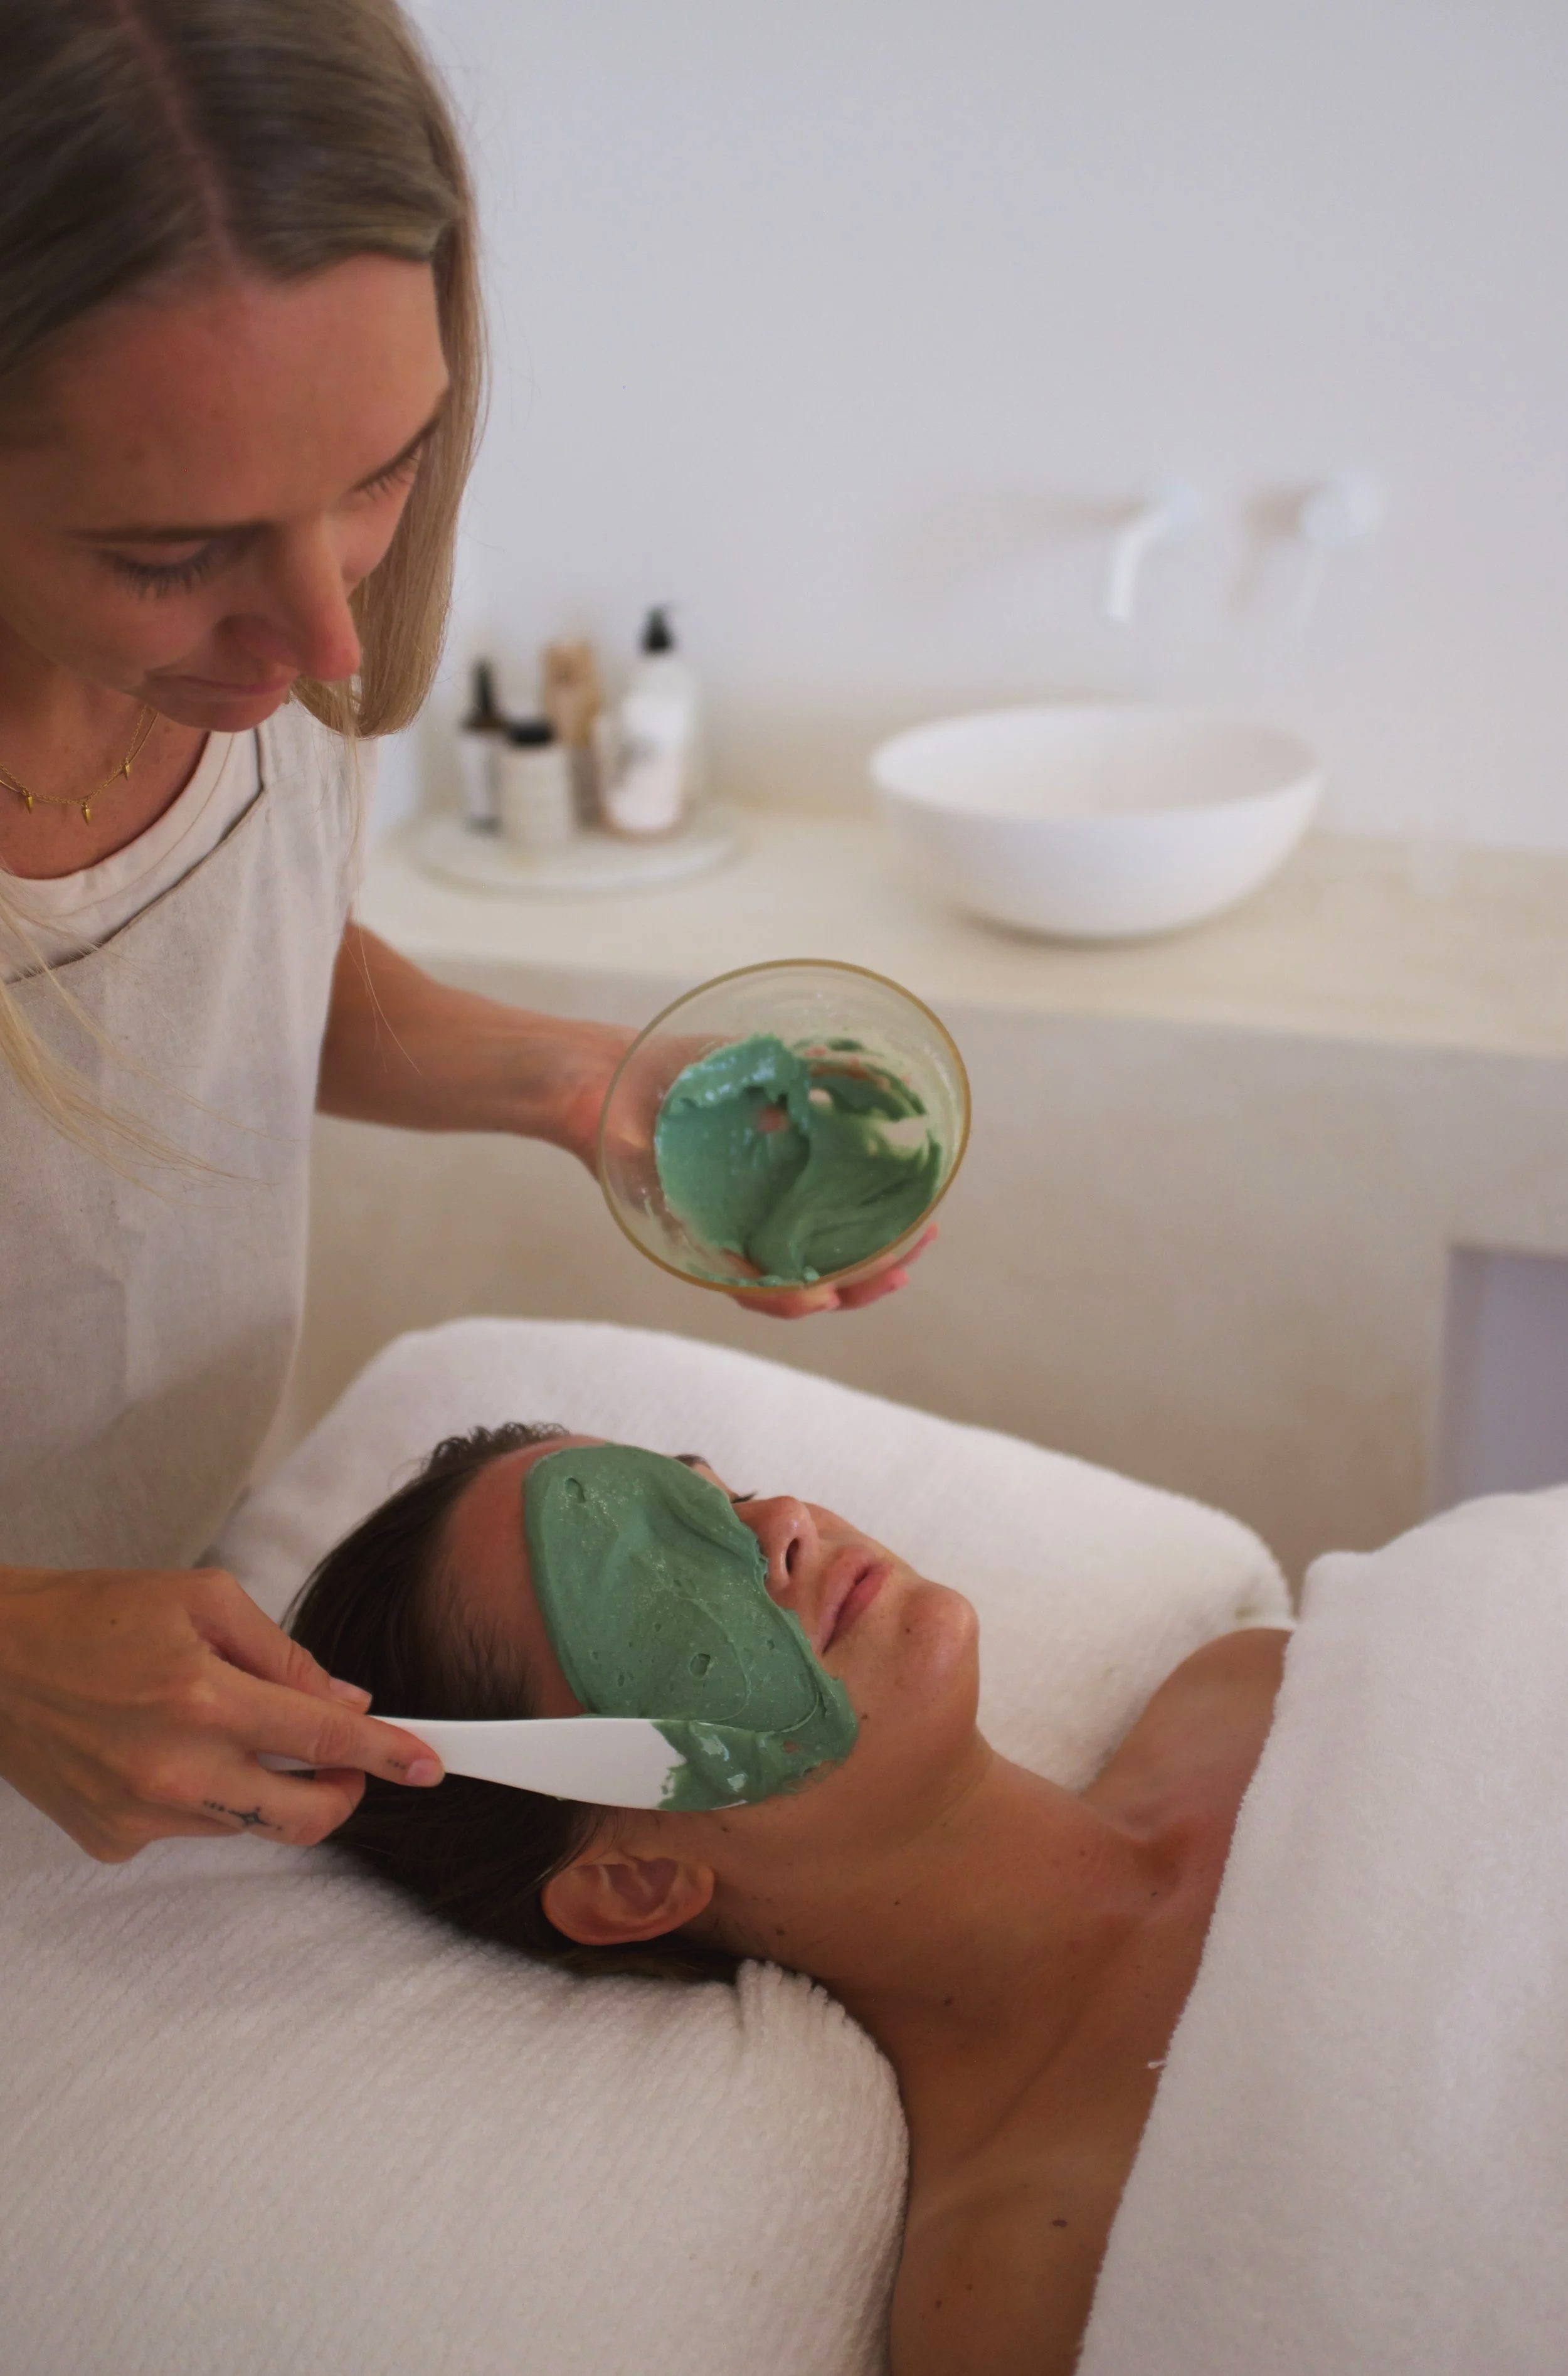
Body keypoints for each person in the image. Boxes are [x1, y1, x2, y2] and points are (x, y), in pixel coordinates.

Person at [0, 0, 924, 1870]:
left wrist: (589, 1085)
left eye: (381, 469)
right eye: (169, 554)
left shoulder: (276, 623)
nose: (327, 641)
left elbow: (216, 978)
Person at [290, 1422, 1289, 2376]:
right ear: (632, 1883)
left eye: (716, 1498)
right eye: (655, 1598)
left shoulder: (1253, 1690)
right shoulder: (1036, 2285)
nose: (784, 1525)